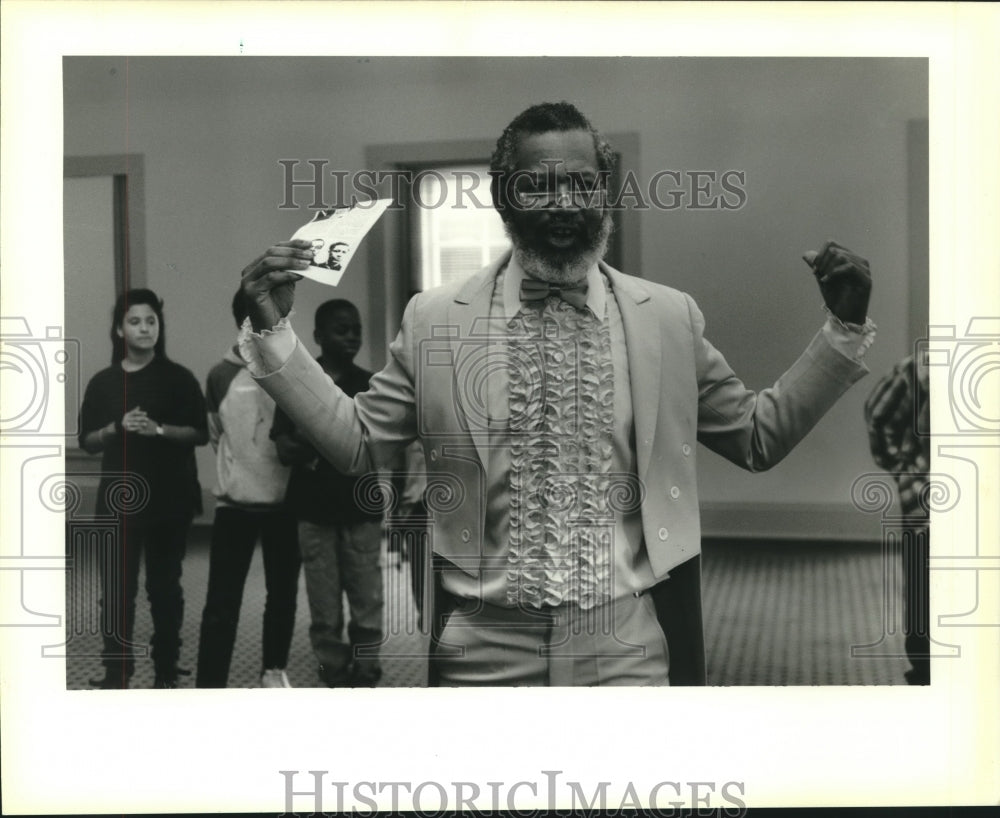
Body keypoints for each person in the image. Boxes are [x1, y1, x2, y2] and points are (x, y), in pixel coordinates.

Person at [238, 101, 875, 687]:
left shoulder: (667, 318)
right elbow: (356, 443)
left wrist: (841, 333)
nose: (564, 201)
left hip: (628, 645)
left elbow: (757, 437)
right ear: (502, 198)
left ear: (607, 193)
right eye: (538, 184)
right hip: (481, 647)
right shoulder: (435, 319)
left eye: (583, 183)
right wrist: (273, 336)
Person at [79, 288, 208, 689]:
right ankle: (116, 672)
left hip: (169, 502)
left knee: (164, 590)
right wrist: (118, 427)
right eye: (135, 321)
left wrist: (158, 429)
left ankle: (166, 671)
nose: (145, 328)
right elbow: (87, 440)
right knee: (117, 594)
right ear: (119, 329)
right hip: (119, 503)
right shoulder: (103, 383)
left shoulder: (178, 377)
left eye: (151, 321)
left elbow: (199, 434)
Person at [270, 299, 385, 687]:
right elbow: (284, 448)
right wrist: (334, 441)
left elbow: (375, 445)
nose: (352, 336)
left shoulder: (371, 385)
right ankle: (332, 672)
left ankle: (367, 671)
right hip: (313, 511)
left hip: (361, 508)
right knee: (324, 606)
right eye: (341, 329)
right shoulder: (299, 383)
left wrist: (317, 440)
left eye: (356, 329)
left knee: (367, 602)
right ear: (318, 336)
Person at [195, 290, 301, 689]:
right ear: (241, 320)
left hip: (284, 504)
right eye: (255, 317)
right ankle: (210, 685)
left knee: (282, 597)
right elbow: (216, 435)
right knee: (221, 604)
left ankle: (273, 673)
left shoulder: (292, 369)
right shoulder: (219, 375)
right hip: (234, 507)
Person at [864, 353, 931, 684]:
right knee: (925, 597)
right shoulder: (922, 369)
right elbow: (879, 415)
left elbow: (878, 414)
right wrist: (905, 473)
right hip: (929, 505)